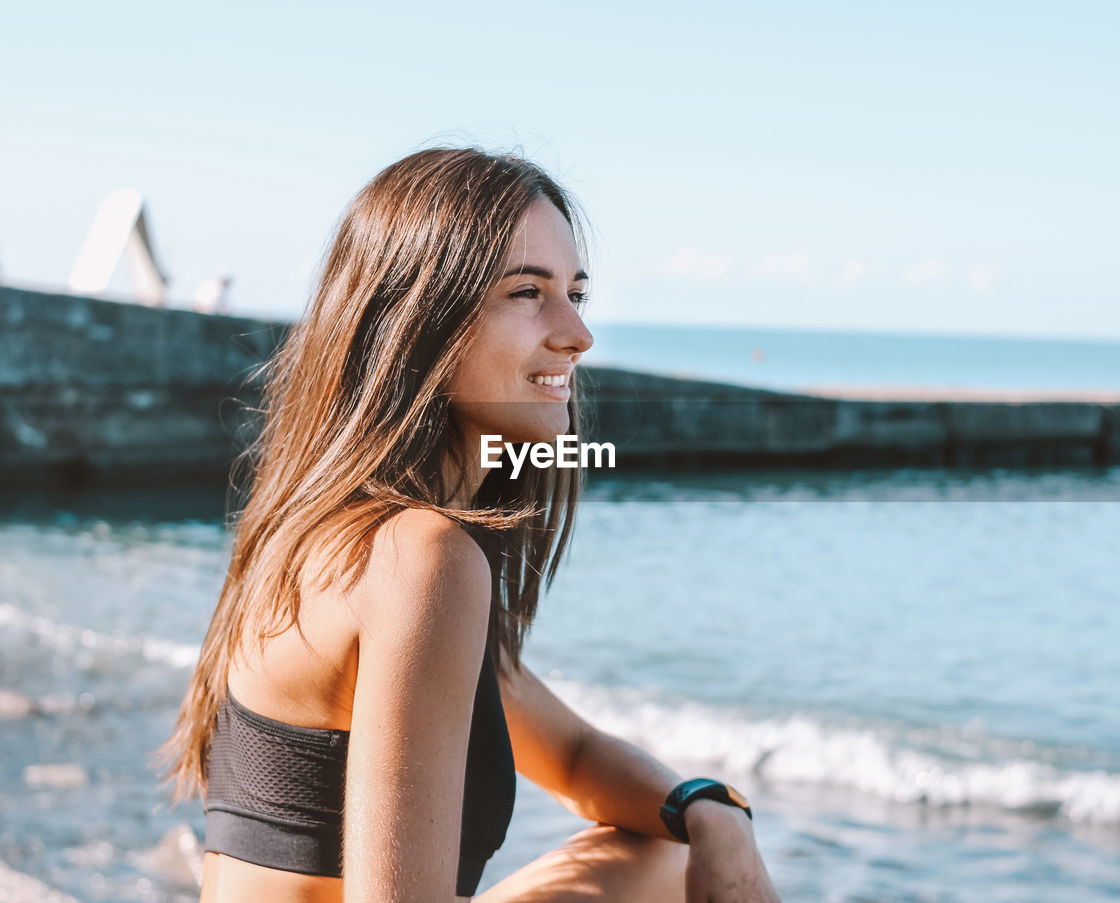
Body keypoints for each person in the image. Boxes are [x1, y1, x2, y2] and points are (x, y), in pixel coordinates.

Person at [158, 147, 782, 902]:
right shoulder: (419, 558)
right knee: (672, 868)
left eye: (576, 293)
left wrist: (709, 807)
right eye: (528, 291)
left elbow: (577, 754)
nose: (578, 333)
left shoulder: (327, 533)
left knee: (671, 850)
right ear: (416, 321)